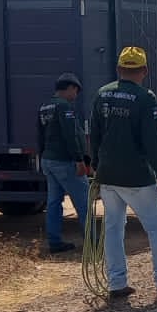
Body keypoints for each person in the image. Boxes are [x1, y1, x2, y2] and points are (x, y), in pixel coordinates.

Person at [88, 47, 157, 300]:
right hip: (136, 176)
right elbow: (153, 142)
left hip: (108, 174)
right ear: (145, 70)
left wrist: (95, 165)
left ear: (118, 69)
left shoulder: (102, 94)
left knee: (113, 229)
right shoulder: (146, 98)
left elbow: (95, 134)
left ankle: (116, 283)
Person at [36, 72, 89, 254]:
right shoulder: (64, 107)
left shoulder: (44, 106)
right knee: (83, 201)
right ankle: (92, 241)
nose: (76, 97)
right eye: (76, 92)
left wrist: (41, 156)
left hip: (48, 160)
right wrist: (79, 159)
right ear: (71, 88)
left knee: (53, 202)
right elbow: (70, 135)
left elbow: (39, 136)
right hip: (64, 161)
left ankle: (55, 242)